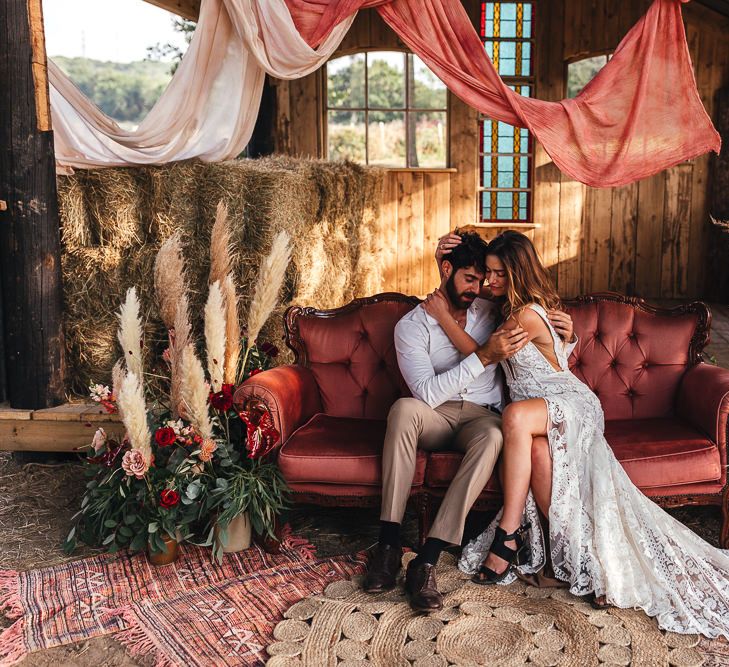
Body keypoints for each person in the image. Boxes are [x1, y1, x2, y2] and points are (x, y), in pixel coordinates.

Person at [428, 229, 729, 639]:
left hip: (569, 404)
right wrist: (442, 255)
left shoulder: (525, 315)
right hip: (545, 411)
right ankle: (585, 559)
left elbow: (481, 354)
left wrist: (443, 318)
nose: (489, 282)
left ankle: (508, 536)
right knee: (533, 453)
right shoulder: (515, 309)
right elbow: (463, 283)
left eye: (497, 274)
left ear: (516, 274)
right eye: (488, 274)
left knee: (515, 417)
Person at [363, 231, 575, 613]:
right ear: (446, 270)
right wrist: (482, 357)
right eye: (469, 278)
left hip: (483, 416)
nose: (479, 288)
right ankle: (389, 543)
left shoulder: (493, 310)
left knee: (495, 436)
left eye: (484, 279)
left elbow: (540, 345)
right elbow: (426, 393)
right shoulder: (412, 326)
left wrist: (567, 335)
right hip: (436, 413)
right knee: (402, 409)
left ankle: (425, 560)